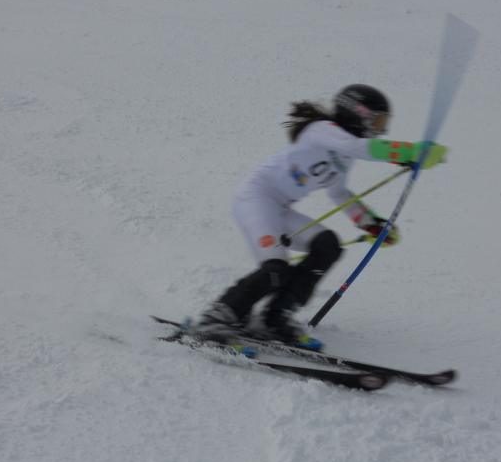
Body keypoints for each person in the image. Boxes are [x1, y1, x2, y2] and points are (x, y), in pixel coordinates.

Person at [191, 84, 447, 349]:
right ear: (357, 114)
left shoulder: (345, 155)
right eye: (377, 121)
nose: (380, 129)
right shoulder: (323, 130)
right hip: (255, 198)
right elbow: (359, 146)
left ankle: (276, 317)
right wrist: (407, 152)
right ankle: (215, 318)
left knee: (327, 245)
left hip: (280, 208)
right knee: (275, 268)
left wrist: (370, 223)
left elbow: (339, 191)